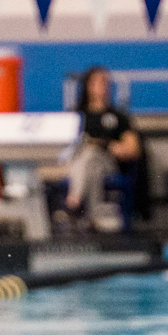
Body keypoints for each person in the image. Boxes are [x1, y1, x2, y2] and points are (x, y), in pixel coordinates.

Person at [62, 65, 144, 232]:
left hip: (108, 164)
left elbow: (133, 149)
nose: (104, 86)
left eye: (106, 82)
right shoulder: (76, 116)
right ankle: (94, 218)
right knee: (90, 164)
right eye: (99, 82)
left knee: (92, 155)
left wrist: (105, 145)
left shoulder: (118, 117)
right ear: (88, 85)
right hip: (80, 165)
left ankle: (74, 201)